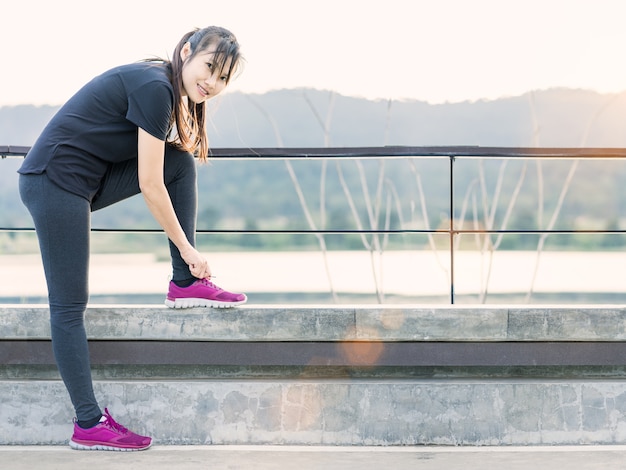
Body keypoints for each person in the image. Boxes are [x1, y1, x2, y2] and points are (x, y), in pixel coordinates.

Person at [18, 26, 246, 451]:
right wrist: (189, 247)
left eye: (223, 78)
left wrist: (185, 255)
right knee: (69, 306)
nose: (212, 83)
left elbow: (160, 173)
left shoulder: (164, 89)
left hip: (82, 181)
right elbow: (149, 185)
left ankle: (184, 284)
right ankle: (88, 423)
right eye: (209, 67)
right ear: (186, 52)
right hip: (53, 181)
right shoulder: (155, 87)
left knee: (180, 164)